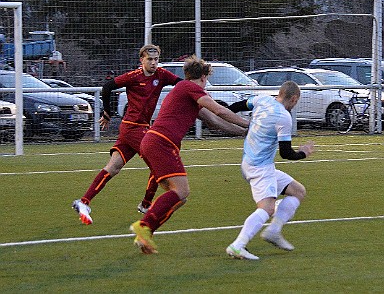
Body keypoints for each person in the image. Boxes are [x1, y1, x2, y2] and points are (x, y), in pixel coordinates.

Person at [130, 55, 250, 254]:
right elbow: (220, 111)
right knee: (182, 192)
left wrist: (245, 133)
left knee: (178, 197)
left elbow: (214, 122)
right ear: (203, 78)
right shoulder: (190, 88)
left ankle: (145, 234)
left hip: (153, 142)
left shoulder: (185, 92)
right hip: (161, 142)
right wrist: (249, 123)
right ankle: (143, 226)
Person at [72, 44, 182, 225]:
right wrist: (106, 112)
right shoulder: (133, 77)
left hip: (136, 129)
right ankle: (146, 204)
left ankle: (83, 202)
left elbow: (180, 83)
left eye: (156, 59)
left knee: (113, 167)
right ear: (142, 60)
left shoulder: (161, 75)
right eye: (150, 60)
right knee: (159, 161)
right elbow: (107, 87)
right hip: (133, 127)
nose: (153, 63)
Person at [225, 81, 315, 260]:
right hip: (260, 168)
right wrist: (303, 153)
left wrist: (222, 116)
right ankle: (238, 245)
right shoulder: (283, 117)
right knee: (267, 208)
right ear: (294, 98)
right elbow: (286, 153)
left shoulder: (262, 99)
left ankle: (273, 231)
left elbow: (236, 106)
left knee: (297, 191)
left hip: (251, 163)